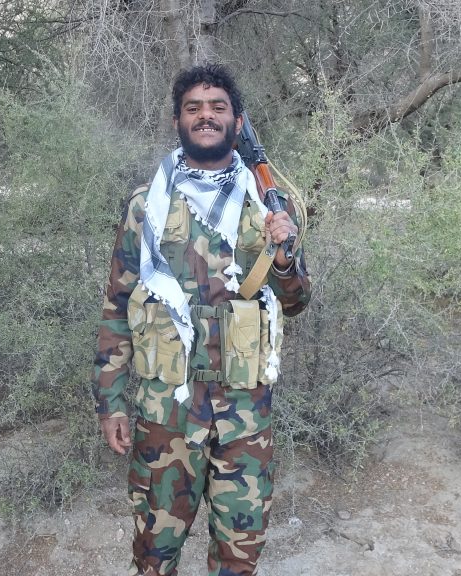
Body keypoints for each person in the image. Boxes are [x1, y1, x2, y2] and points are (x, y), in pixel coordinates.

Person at [93, 64, 312, 576]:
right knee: (154, 551)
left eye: (218, 107)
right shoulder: (146, 206)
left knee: (239, 554)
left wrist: (283, 256)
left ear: (237, 122)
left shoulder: (268, 205)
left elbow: (296, 301)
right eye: (193, 108)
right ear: (178, 121)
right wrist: (110, 404)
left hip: (245, 413)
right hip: (166, 410)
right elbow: (118, 307)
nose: (205, 116)